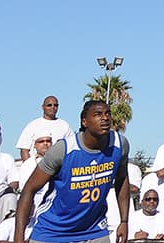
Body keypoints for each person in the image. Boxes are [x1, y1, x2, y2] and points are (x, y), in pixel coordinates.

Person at [14, 99, 131, 243]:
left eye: (108, 113)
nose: (105, 118)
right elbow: (28, 190)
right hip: (53, 231)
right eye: (98, 114)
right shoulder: (64, 149)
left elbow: (122, 179)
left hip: (94, 230)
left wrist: (124, 221)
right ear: (84, 122)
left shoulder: (120, 144)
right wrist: (18, 238)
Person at [15, 97, 72, 162]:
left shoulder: (65, 125)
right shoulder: (33, 125)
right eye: (49, 105)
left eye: (55, 105)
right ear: (42, 107)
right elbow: (24, 150)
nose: (52, 107)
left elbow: (71, 147)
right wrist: (30, 168)